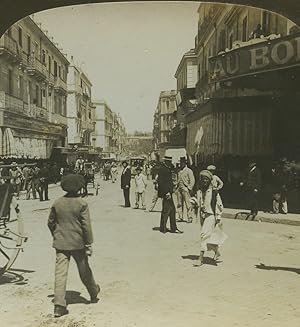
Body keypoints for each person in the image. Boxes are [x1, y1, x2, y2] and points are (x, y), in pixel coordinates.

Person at [48, 174, 100, 318]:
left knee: (60, 273)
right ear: (79, 187)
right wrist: (88, 242)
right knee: (84, 270)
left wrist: (57, 234)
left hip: (61, 243)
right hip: (78, 243)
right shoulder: (82, 203)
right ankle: (93, 293)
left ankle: (59, 306)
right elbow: (86, 226)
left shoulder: (57, 202)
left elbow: (50, 222)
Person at [196, 170, 227, 266]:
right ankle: (217, 252)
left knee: (203, 235)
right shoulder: (200, 191)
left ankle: (200, 258)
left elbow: (219, 205)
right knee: (208, 238)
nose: (204, 181)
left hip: (211, 216)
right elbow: (199, 203)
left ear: (210, 180)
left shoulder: (214, 192)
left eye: (206, 179)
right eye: (203, 179)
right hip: (203, 216)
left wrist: (218, 216)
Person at [157, 156, 183, 234]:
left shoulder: (167, 168)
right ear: (165, 161)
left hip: (169, 192)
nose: (169, 163)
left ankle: (173, 228)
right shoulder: (162, 169)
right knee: (166, 210)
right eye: (168, 161)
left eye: (170, 161)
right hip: (166, 193)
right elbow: (161, 182)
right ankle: (163, 228)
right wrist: (166, 192)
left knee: (172, 210)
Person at [176, 157, 195, 223]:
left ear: (185, 163)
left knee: (188, 204)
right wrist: (176, 186)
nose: (180, 164)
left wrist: (189, 188)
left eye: (182, 163)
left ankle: (190, 217)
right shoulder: (178, 171)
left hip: (185, 188)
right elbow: (177, 179)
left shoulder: (189, 171)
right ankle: (180, 217)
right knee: (179, 203)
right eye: (180, 163)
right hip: (179, 188)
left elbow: (192, 180)